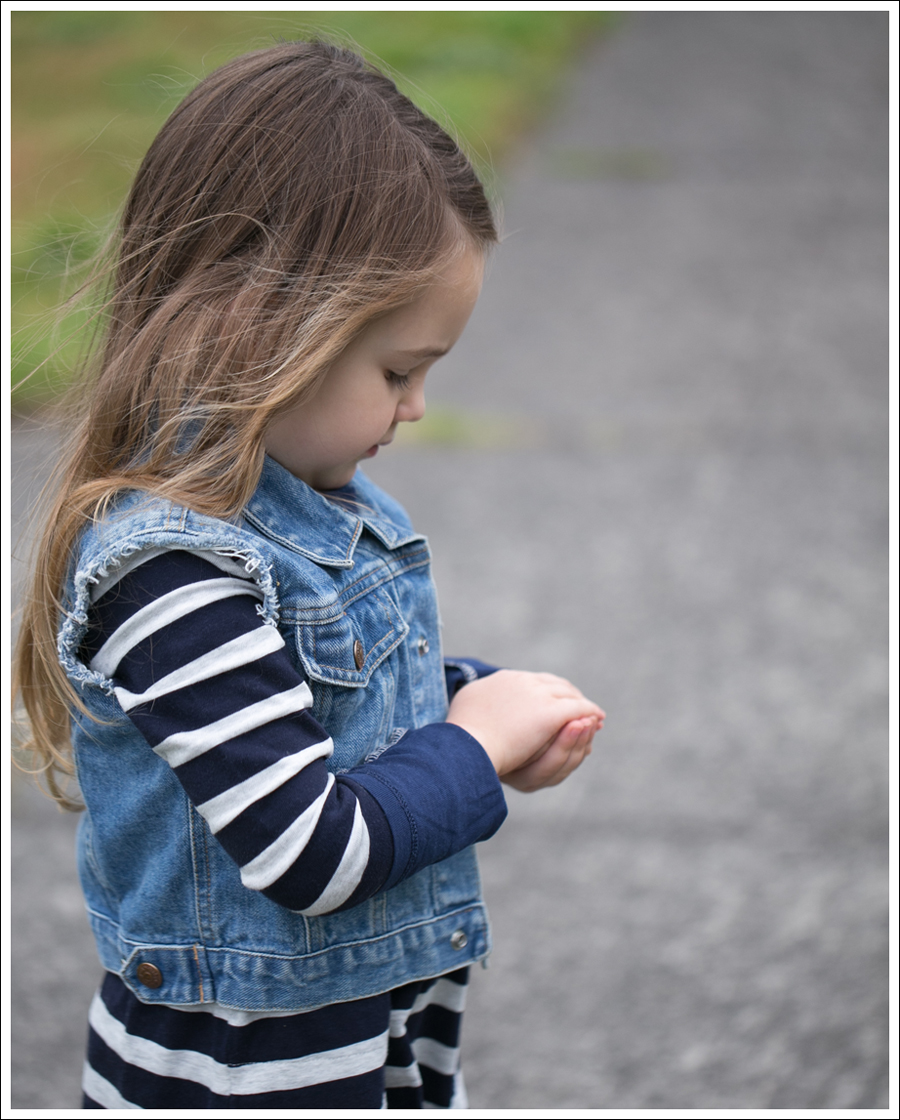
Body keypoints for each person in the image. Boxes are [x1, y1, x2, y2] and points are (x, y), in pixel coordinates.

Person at [14, 40, 604, 1109]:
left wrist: (465, 699)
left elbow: (322, 709)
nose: (415, 408)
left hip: (360, 1058)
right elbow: (309, 846)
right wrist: (469, 749)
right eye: (399, 371)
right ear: (263, 327)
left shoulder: (312, 499)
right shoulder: (173, 574)